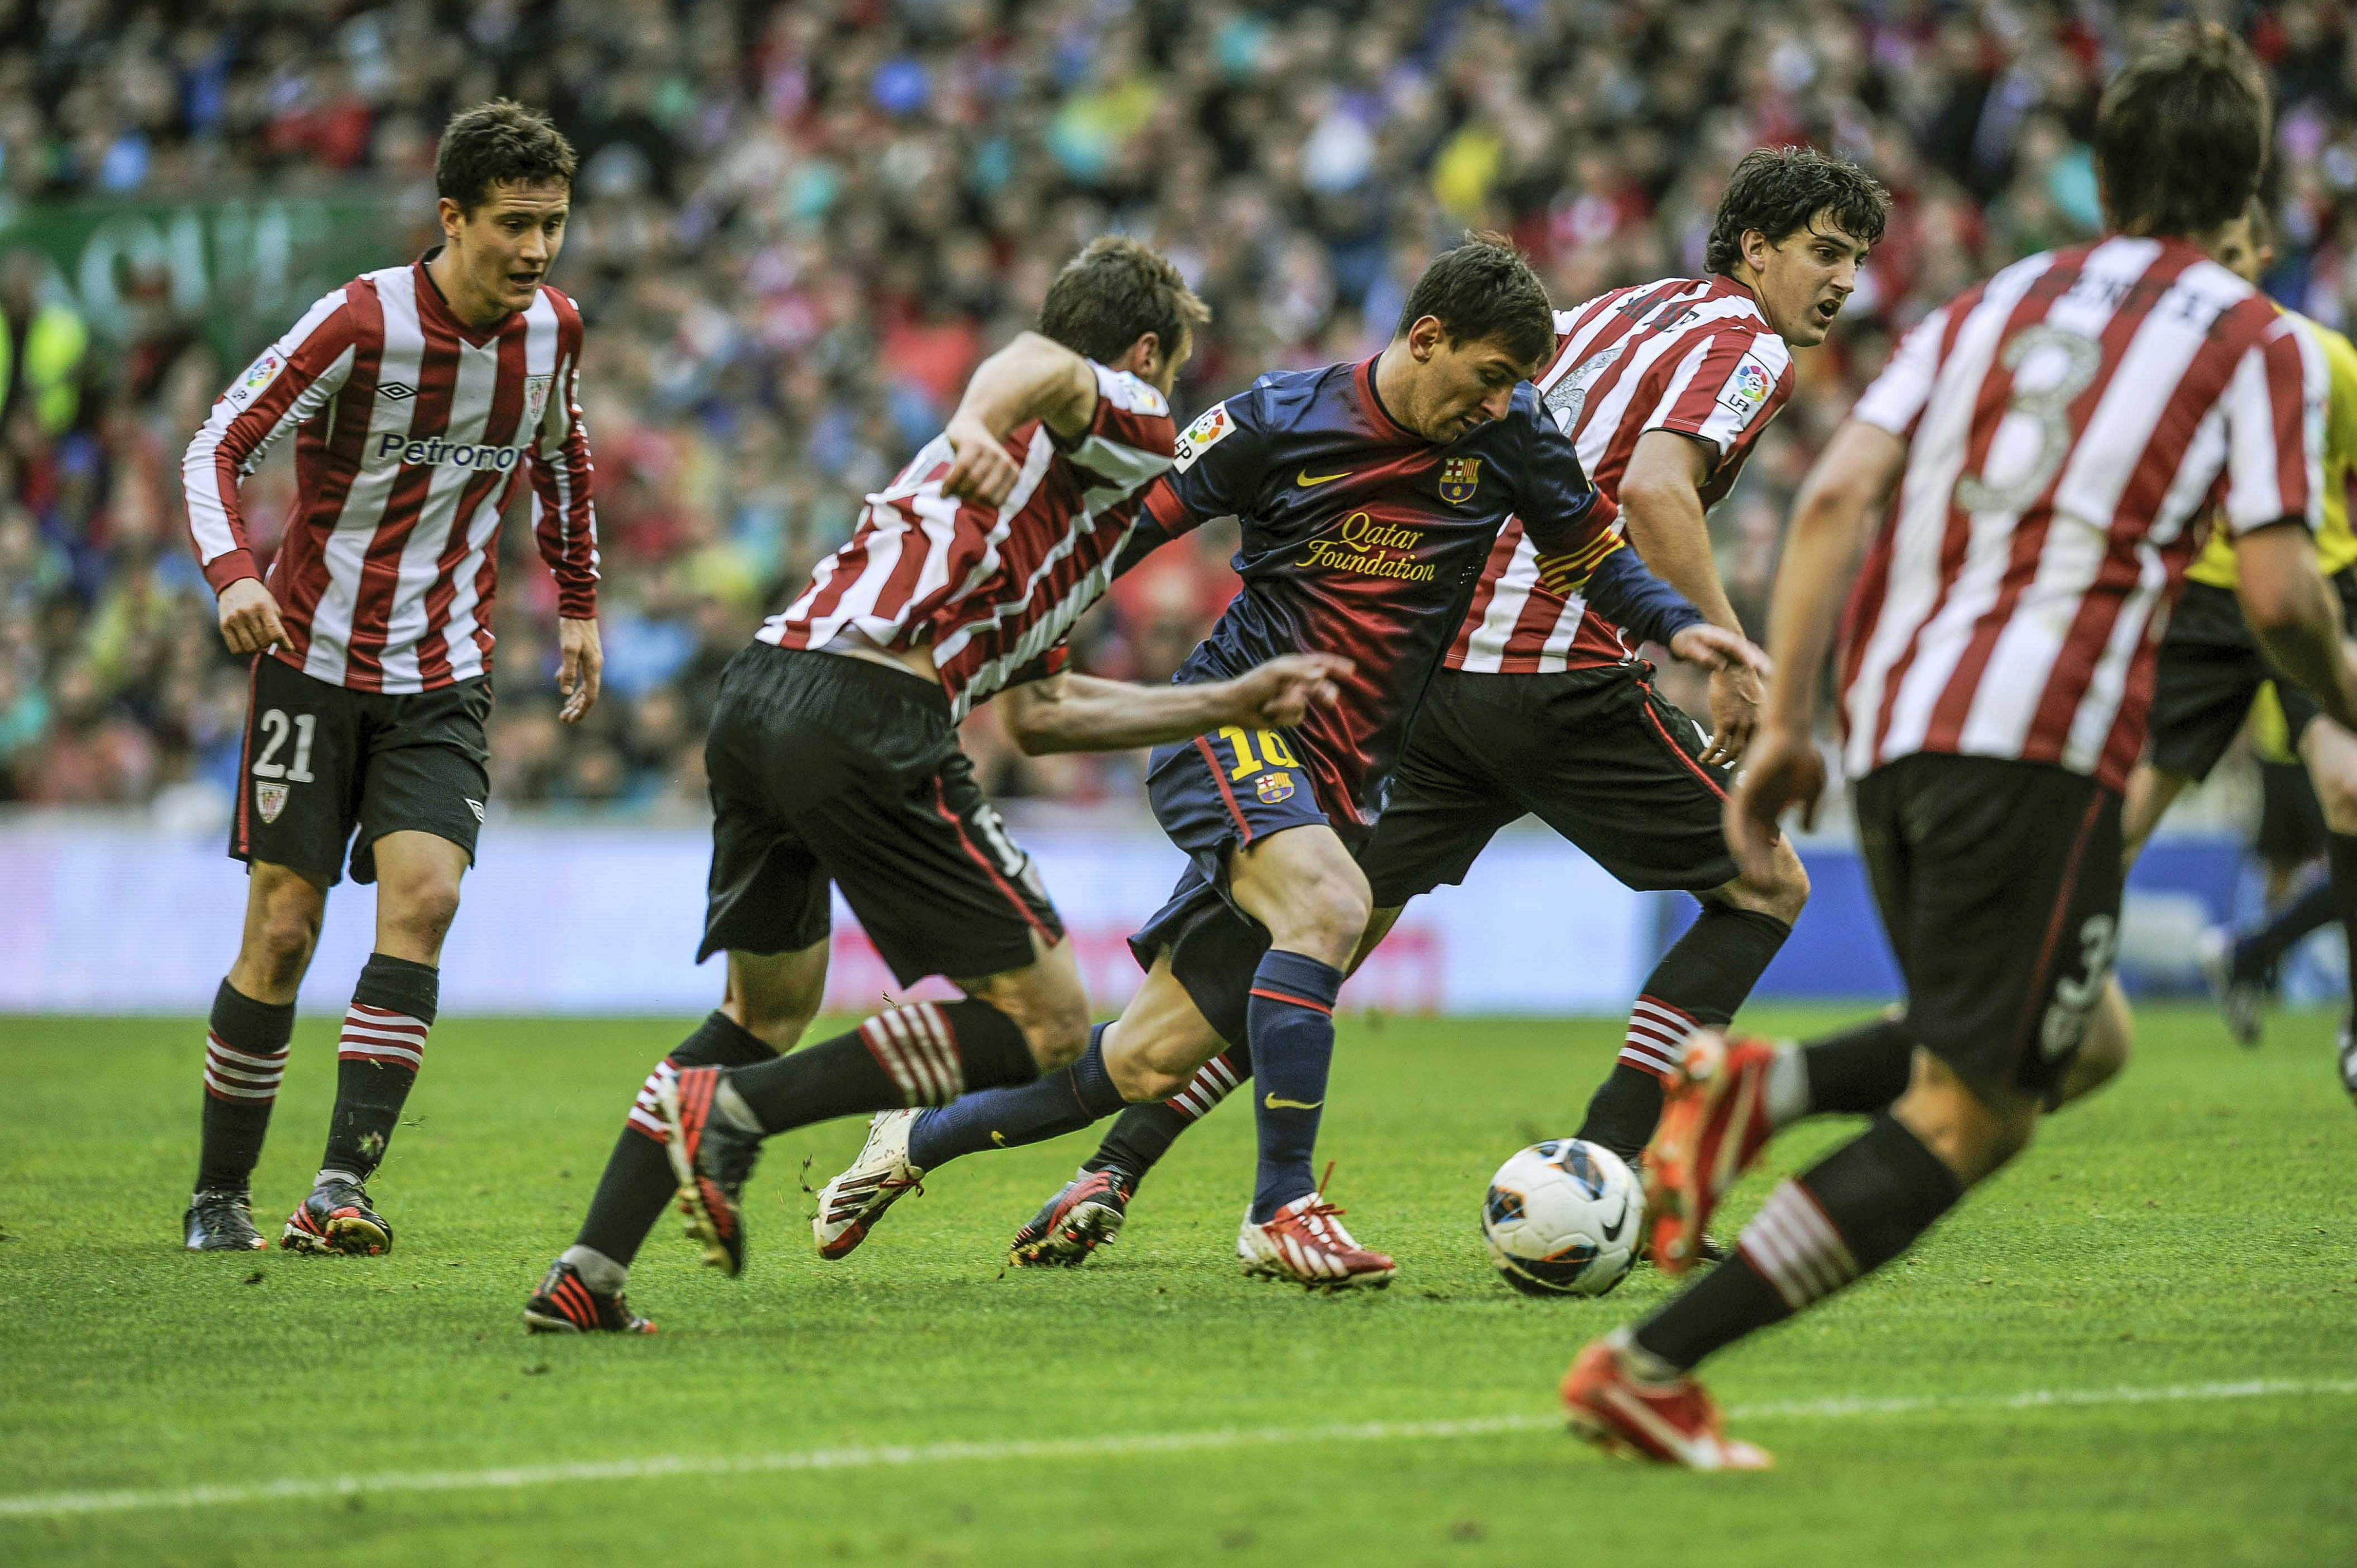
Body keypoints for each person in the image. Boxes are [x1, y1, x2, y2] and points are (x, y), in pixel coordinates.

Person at [1559, 24, 2356, 1469]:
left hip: (1903, 717)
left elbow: (1828, 503)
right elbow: (2285, 592)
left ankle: (1762, 1088)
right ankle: (1648, 1363)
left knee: (2088, 1034)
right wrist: (2341, 692)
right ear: (2249, 194)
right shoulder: (2260, 338)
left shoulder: (1990, 304)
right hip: (2035, 743)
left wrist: (1793, 718)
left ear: (2101, 176)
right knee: (1975, 1114)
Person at [976, 147, 1889, 1271]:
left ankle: (1110, 1168)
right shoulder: (1742, 343)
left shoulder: (1609, 310)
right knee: (1762, 886)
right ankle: (1618, 1168)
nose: (1843, 282)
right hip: (1553, 676)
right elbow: (1652, 487)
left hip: (1430, 677)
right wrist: (1720, 651)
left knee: (1318, 937)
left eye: (1854, 260)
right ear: (1754, 248)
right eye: (1825, 252)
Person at [803, 234, 1766, 1290]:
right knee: (1329, 909)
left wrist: (1682, 629)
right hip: (1230, 723)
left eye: (1515, 389)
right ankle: (1282, 1208)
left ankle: (911, 1141)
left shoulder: (1511, 433)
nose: (1498, 406)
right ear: (1427, 337)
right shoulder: (1277, 420)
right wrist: (1034, 658)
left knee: (1145, 1058)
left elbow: (1591, 557)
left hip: (1349, 773)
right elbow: (1115, 534)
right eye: (1489, 378)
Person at [522, 236, 1343, 1332]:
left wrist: (1229, 701)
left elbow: (1046, 718)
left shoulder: (1050, 520)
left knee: (762, 1009)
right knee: (1052, 1026)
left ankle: (591, 1269)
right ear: (1146, 351)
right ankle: (734, 1116)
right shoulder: (1112, 414)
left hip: (762, 695)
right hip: (869, 713)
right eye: (1169, 365)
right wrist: (972, 420)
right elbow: (1040, 366)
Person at [180, 101, 601, 1256]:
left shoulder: (554, 330)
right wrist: (230, 573)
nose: (536, 250)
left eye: (552, 225)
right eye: (514, 224)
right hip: (308, 663)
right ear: (451, 217)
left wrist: (575, 604)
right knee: (284, 930)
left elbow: (565, 460)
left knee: (426, 899)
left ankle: (338, 1189)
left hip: (446, 670)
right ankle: (220, 1195)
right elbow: (215, 441)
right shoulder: (359, 322)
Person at [2118, 190, 2357, 1083]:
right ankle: (2016, 999)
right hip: (2205, 610)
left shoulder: (2324, 357)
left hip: (2313, 587)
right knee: (2124, 820)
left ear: (2261, 259)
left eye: (2230, 253)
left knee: (2350, 790)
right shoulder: (2165, 368)